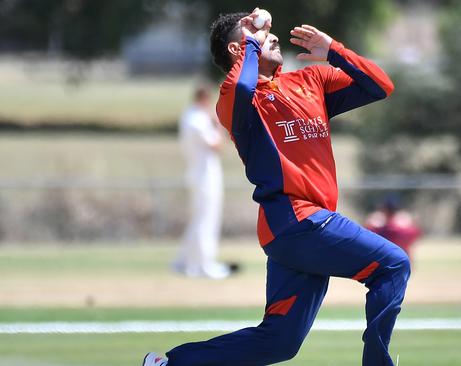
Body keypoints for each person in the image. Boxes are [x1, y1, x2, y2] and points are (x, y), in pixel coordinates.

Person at [143, 8, 409, 366]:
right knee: (393, 264)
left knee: (279, 342)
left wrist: (333, 50)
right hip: (296, 220)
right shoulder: (238, 100)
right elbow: (241, 84)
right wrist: (253, 38)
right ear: (240, 51)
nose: (270, 33)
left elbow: (380, 85)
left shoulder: (310, 81)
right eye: (254, 33)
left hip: (301, 229)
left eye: (266, 30)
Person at [172, 86, 235, 280]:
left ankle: (184, 261)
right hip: (203, 177)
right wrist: (217, 123)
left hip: (200, 175)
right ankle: (202, 264)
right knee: (206, 220)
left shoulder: (190, 116)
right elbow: (217, 145)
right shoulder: (197, 119)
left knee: (200, 219)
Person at [365, 196, 422, 260]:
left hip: (385, 259)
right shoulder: (405, 225)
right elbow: (416, 234)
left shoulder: (377, 224)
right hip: (401, 259)